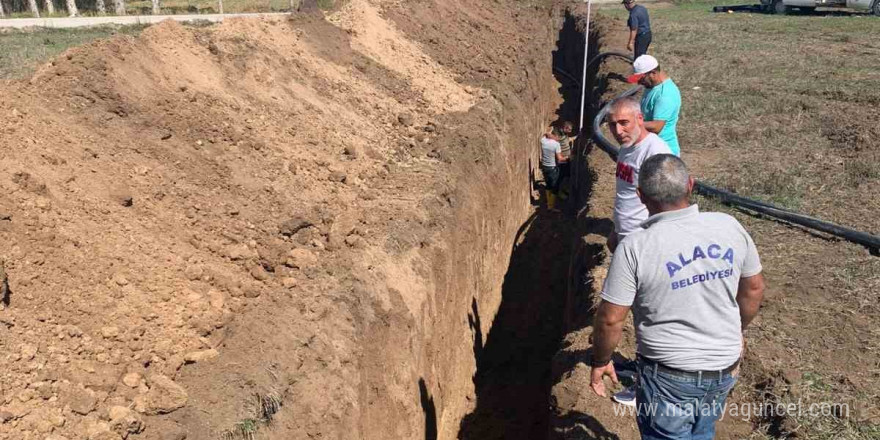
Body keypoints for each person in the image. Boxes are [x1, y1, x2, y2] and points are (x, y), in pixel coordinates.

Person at [588, 154, 766, 440]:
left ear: (640, 196)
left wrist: (600, 360)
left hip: (668, 378)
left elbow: (611, 319)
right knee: (702, 429)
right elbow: (754, 288)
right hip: (723, 368)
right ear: (691, 186)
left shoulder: (636, 246)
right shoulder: (729, 226)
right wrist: (737, 330)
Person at [605, 97, 672, 252]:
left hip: (643, 239)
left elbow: (667, 203)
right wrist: (616, 229)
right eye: (612, 125)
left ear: (640, 119)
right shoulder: (626, 146)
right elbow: (625, 192)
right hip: (625, 232)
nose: (618, 131)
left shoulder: (655, 152)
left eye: (624, 122)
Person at [627, 55, 682, 156]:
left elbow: (657, 127)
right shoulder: (652, 86)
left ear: (653, 73)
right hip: (650, 148)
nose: (639, 82)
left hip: (663, 154)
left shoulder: (665, 94)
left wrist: (630, 124)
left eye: (641, 78)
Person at [540, 127, 567, 212]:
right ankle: (551, 207)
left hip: (544, 167)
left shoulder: (543, 141)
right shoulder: (556, 144)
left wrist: (549, 132)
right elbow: (559, 159)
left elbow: (545, 134)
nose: (559, 139)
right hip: (552, 168)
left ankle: (548, 203)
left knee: (548, 185)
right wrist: (568, 158)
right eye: (558, 137)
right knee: (555, 187)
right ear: (556, 136)